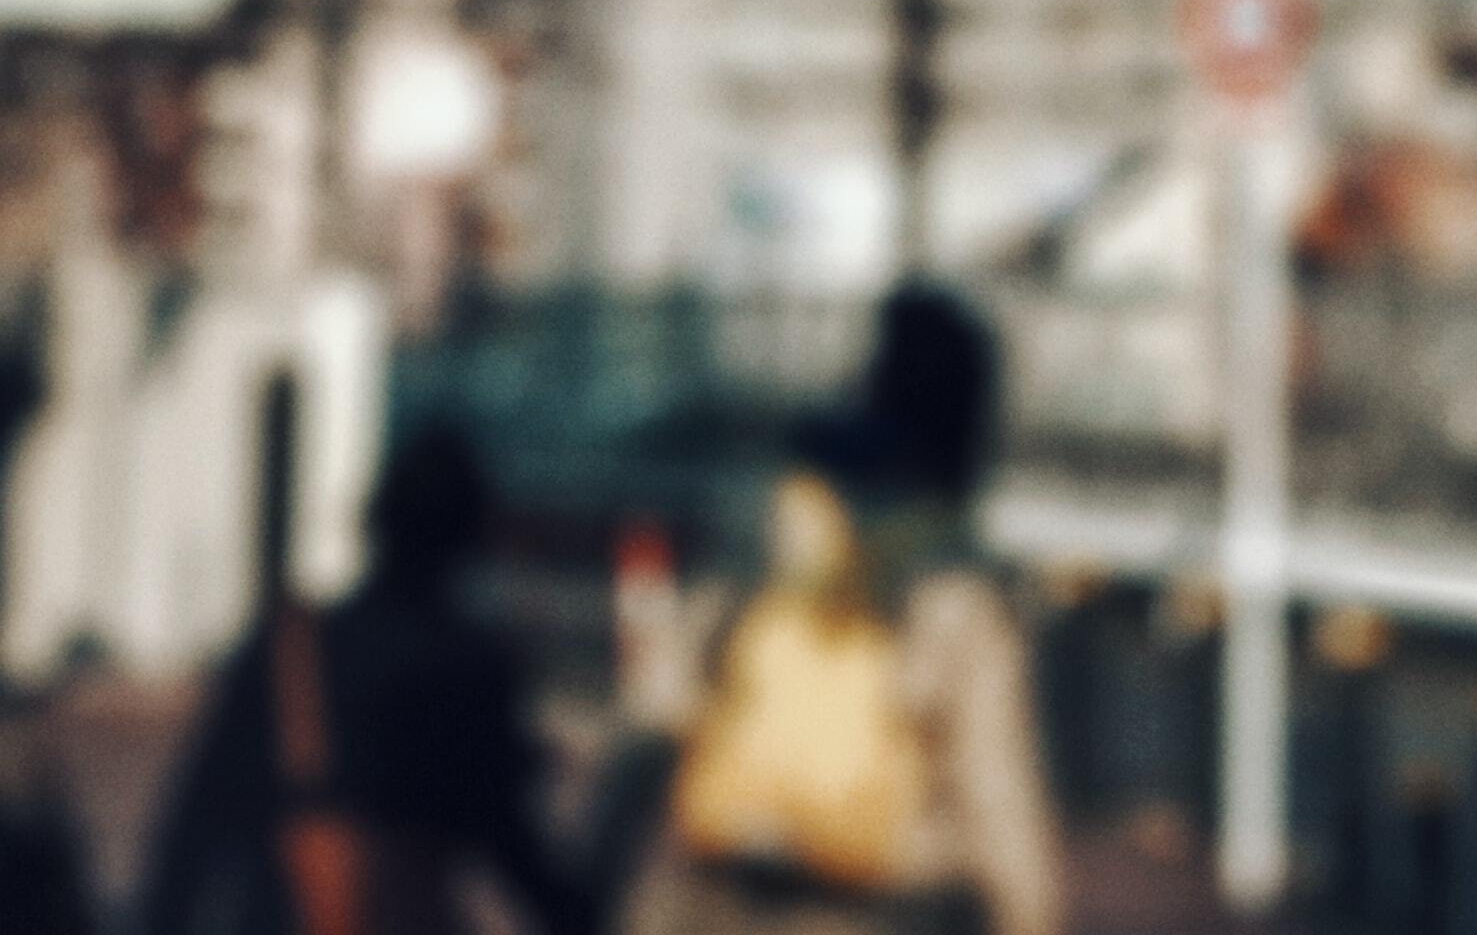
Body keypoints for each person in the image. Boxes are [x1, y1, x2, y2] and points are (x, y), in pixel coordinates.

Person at [624, 286, 1060, 935]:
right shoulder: (955, 582)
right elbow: (996, 797)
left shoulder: (775, 524)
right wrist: (1031, 915)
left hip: (718, 899)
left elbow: (658, 710)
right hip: (873, 909)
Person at [138, 418, 595, 935]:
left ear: (374, 519)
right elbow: (509, 843)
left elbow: (197, 829)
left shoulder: (291, 646)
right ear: (468, 538)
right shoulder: (469, 667)